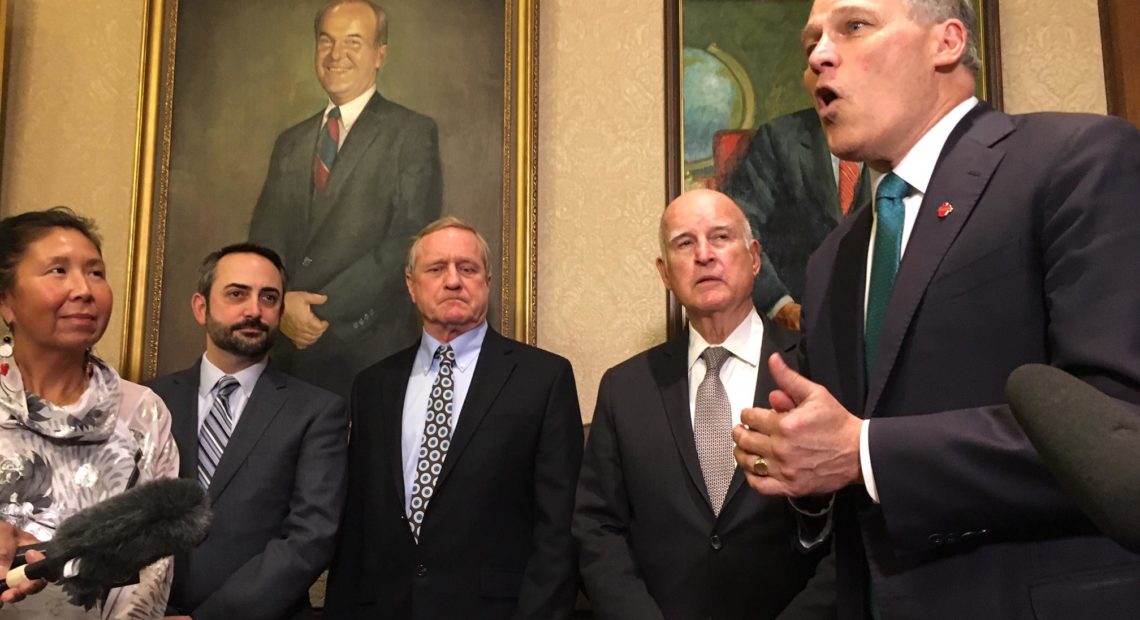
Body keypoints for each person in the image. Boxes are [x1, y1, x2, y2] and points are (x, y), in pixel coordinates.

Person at [731, 0, 1140, 618]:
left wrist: (864, 452)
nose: (817, 57)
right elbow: (844, 486)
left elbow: (1118, 427)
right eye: (811, 41)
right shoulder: (834, 258)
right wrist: (803, 478)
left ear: (946, 42)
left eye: (854, 26)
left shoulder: (1077, 160)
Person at [574, 189, 833, 620]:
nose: (704, 255)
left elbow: (855, 527)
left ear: (753, 258)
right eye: (684, 243)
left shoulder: (816, 369)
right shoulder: (625, 388)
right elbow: (596, 528)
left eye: (720, 237)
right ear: (665, 274)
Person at [325, 217, 582, 619]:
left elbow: (558, 528)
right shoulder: (373, 386)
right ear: (411, 286)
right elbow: (355, 523)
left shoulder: (543, 378)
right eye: (435, 269)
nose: (452, 281)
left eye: (467, 268)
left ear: (487, 282)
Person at [249, 0, 443, 397]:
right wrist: (280, 304)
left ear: (380, 55)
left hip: (366, 355)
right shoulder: (290, 143)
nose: (336, 55)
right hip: (284, 356)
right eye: (326, 41)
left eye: (353, 42)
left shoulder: (411, 133)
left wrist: (315, 312)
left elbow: (407, 242)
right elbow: (263, 243)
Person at [147, 244, 347, 619]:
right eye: (237, 294)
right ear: (201, 307)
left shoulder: (317, 412)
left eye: (268, 297)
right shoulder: (150, 400)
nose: (254, 310)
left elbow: (311, 537)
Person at [0, 207, 177, 618]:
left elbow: (153, 561)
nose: (83, 289)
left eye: (95, 272)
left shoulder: (141, 412)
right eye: (58, 271)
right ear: (5, 299)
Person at [723, 69, 869, 331]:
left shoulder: (897, 141)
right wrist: (780, 305)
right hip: (792, 330)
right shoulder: (778, 139)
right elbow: (738, 227)